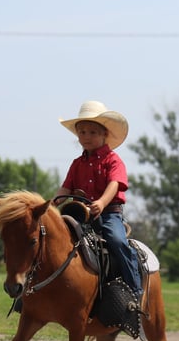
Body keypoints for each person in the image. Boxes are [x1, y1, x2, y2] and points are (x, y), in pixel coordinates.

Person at [53, 100, 142, 300]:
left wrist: (101, 203)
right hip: (79, 213)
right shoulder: (77, 164)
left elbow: (115, 184)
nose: (86, 137)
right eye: (82, 132)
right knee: (49, 237)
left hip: (109, 213)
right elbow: (66, 186)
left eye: (92, 132)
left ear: (105, 134)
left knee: (117, 241)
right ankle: (35, 292)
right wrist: (54, 202)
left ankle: (135, 290)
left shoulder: (113, 160)